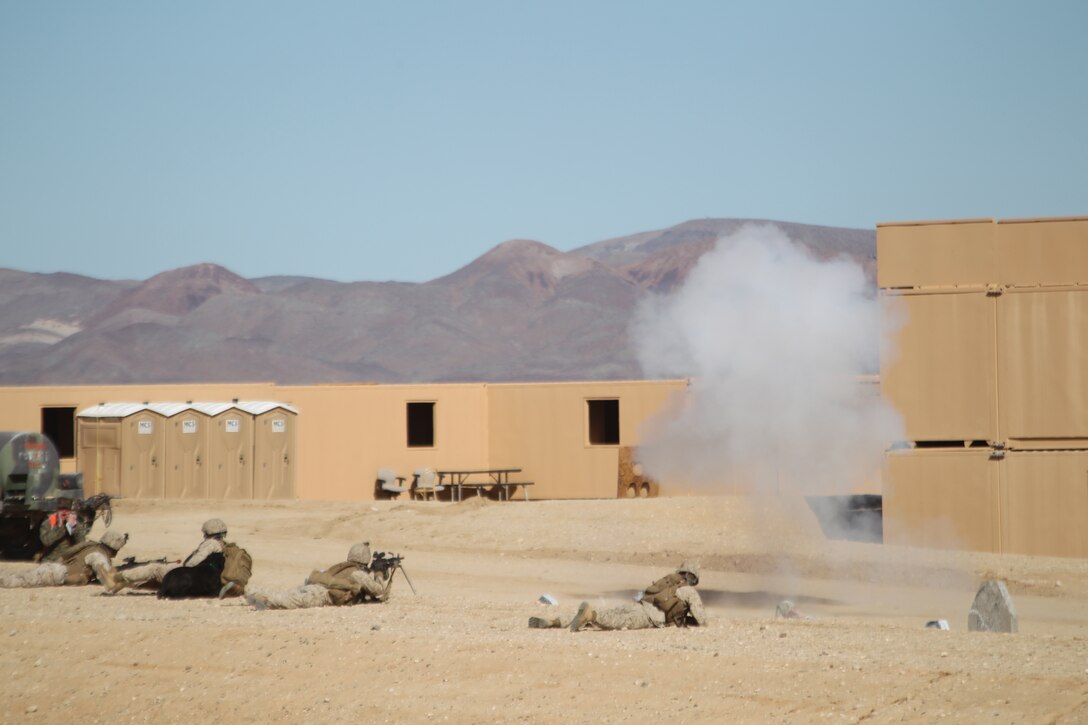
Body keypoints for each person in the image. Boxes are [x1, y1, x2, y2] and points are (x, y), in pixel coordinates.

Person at [529, 562, 707, 631]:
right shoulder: (689, 591)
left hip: (638, 604)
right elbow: (701, 619)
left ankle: (555, 621)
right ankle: (590, 615)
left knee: (611, 612)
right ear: (693, 579)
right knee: (615, 621)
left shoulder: (668, 581)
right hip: (648, 617)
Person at [245, 542, 392, 610]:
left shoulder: (342, 567)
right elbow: (378, 591)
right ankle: (248, 593)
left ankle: (251, 592)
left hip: (312, 587)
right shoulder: (358, 573)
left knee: (283, 595)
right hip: (320, 595)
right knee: (283, 601)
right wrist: (379, 573)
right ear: (365, 559)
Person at [107, 518, 232, 593]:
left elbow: (192, 563)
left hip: (191, 577)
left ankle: (116, 578)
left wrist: (181, 569)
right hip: (203, 578)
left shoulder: (210, 544)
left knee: (154, 568)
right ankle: (122, 583)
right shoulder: (223, 545)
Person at [1, 529, 128, 588]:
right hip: (57, 574)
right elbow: (107, 578)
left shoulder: (92, 547)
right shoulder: (97, 555)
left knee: (20, 576)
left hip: (54, 569)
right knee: (17, 582)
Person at [38, 498, 90, 562]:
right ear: (57, 510)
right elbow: (46, 542)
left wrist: (73, 527)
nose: (64, 512)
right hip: (51, 560)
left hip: (69, 560)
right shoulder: (49, 523)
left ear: (70, 511)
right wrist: (60, 526)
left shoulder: (75, 523)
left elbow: (81, 543)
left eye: (67, 509)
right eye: (62, 509)